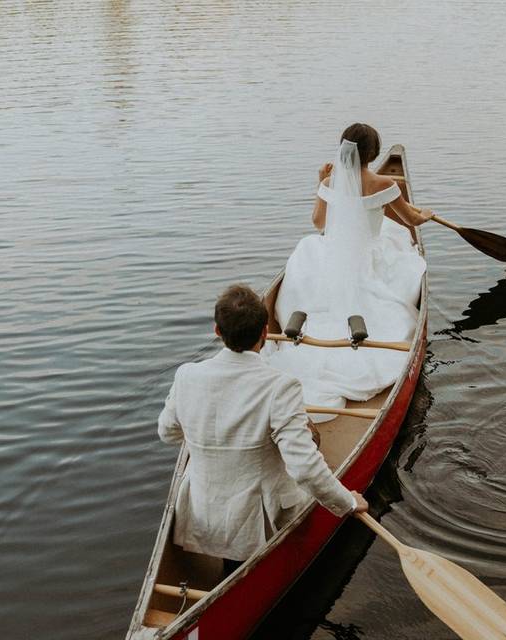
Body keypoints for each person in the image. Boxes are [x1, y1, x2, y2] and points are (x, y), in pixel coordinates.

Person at [158, 284, 368, 572]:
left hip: (202, 510)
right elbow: (305, 469)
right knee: (309, 441)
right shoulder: (281, 386)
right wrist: (348, 502)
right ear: (265, 333)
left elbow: (167, 433)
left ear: (217, 331)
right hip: (255, 520)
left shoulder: (186, 375)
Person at [263, 123, 435, 418]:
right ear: (373, 153)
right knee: (403, 251)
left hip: (332, 253)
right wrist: (427, 214)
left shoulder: (330, 183)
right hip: (369, 253)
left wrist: (321, 181)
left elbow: (318, 225)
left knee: (308, 248)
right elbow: (410, 220)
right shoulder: (385, 185)